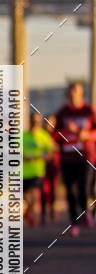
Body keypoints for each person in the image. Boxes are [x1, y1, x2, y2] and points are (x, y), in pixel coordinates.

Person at [53, 82, 96, 236]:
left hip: (86, 156)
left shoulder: (88, 110)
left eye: (76, 90)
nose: (73, 93)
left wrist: (86, 134)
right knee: (70, 191)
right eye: (71, 90)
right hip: (68, 157)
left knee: (84, 188)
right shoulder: (62, 113)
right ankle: (74, 222)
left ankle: (86, 211)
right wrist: (66, 131)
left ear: (81, 92)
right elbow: (54, 135)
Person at [22, 112, 54, 227]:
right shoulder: (23, 135)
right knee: (25, 196)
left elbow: (51, 151)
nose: (35, 123)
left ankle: (32, 213)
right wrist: (22, 157)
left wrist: (42, 157)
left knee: (36, 194)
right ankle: (29, 211)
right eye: (33, 120)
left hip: (38, 171)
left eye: (37, 121)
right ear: (29, 121)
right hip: (24, 171)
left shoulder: (44, 136)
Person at [41, 114, 60, 223]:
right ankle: (43, 213)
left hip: (54, 165)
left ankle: (52, 210)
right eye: (47, 122)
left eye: (52, 122)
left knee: (53, 189)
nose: (49, 125)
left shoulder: (57, 135)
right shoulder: (42, 134)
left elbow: (60, 148)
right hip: (43, 165)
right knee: (44, 189)